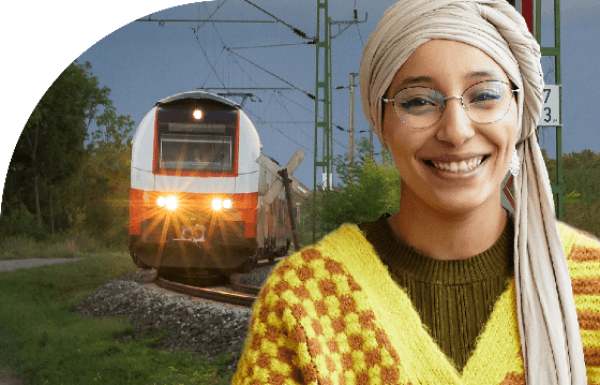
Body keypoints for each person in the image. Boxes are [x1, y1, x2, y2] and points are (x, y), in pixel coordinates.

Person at [232, 0, 600, 384]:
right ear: (382, 123)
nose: (456, 131)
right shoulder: (301, 300)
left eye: (485, 95)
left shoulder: (591, 287)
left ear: (520, 111)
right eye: (419, 102)